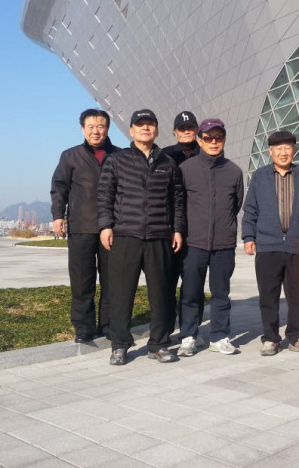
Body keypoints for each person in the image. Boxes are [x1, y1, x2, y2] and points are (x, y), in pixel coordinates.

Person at [98, 109, 186, 366]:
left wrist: (177, 229)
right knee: (121, 293)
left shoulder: (168, 162)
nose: (145, 128)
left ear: (156, 130)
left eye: (150, 124)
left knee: (161, 294)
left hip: (160, 236)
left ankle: (158, 344)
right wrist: (105, 226)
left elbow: (177, 200)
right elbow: (104, 195)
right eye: (140, 124)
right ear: (132, 130)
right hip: (125, 235)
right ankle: (119, 345)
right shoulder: (117, 160)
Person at [242, 130, 299, 356]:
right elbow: (250, 209)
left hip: (297, 246)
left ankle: (297, 336)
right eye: (278, 148)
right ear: (270, 151)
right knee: (268, 296)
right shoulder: (260, 176)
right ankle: (270, 338)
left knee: (297, 295)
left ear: (293, 150)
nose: (283, 152)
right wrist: (248, 237)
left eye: (287, 148)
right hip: (267, 245)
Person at [51, 108, 120, 343]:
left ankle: (109, 325)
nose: (95, 131)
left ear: (107, 128)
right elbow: (59, 188)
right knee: (82, 282)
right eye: (90, 127)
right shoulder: (70, 156)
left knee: (112, 281)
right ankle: (83, 328)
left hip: (112, 228)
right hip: (81, 227)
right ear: (83, 129)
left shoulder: (120, 156)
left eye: (100, 126)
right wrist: (58, 215)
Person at [177, 118, 244, 357]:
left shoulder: (234, 171)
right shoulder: (186, 169)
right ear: (199, 140)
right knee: (190, 293)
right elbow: (179, 204)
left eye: (218, 137)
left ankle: (219, 336)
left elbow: (235, 204)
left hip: (223, 244)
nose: (213, 142)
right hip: (193, 243)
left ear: (224, 140)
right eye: (208, 138)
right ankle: (188, 336)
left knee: (221, 293)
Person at [161, 110, 201, 340]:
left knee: (193, 285)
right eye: (182, 128)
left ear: (196, 130)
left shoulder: (206, 152)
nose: (187, 131)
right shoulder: (165, 155)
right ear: (175, 132)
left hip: (195, 230)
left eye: (190, 128)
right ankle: (165, 330)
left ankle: (190, 331)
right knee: (167, 282)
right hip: (169, 229)